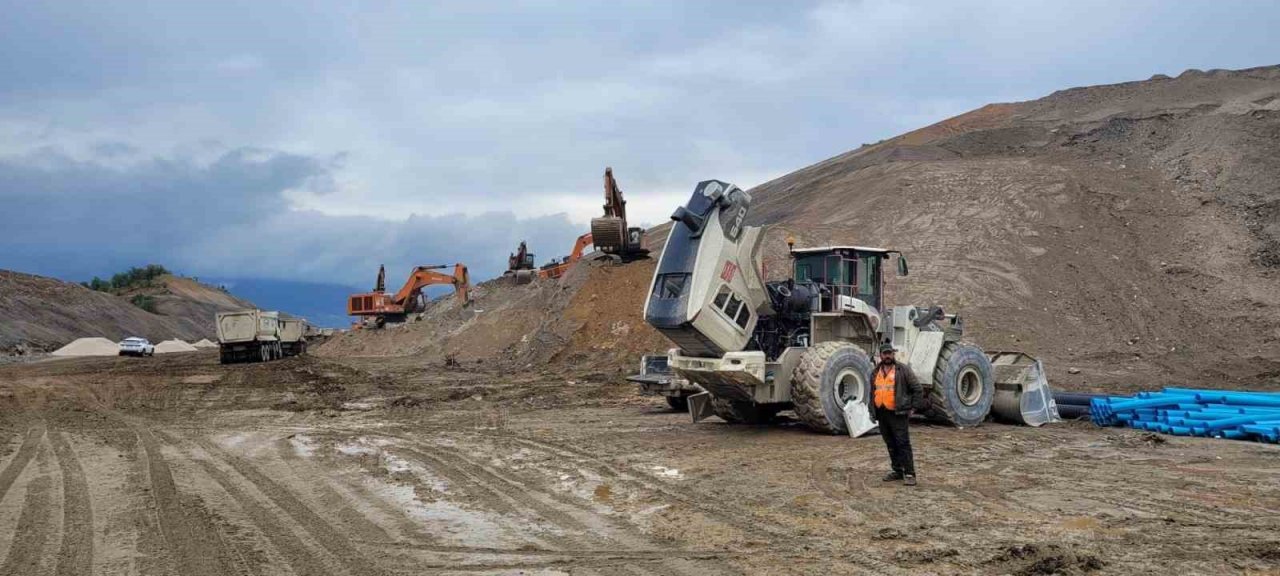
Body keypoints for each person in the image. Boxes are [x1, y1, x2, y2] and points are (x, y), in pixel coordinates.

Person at [871, 341, 925, 486]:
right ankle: (897, 470)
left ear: (893, 354)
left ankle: (909, 473)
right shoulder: (875, 372)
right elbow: (872, 392)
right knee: (890, 443)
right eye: (885, 353)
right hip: (882, 413)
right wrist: (872, 410)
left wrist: (913, 408)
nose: (888, 356)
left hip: (898, 413)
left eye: (890, 353)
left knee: (902, 443)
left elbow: (917, 389)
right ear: (880, 355)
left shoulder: (903, 370)